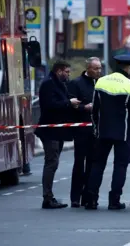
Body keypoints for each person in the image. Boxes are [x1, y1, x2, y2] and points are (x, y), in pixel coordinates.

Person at [85, 54, 130, 210]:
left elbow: (94, 109)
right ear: (128, 67)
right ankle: (114, 200)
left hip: (103, 131)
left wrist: (96, 128)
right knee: (120, 166)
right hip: (123, 133)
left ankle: (91, 200)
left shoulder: (101, 82)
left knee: (97, 165)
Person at [35, 60, 79, 209]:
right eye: (67, 72)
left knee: (53, 163)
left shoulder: (58, 83)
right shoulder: (49, 84)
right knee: (51, 163)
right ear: (59, 71)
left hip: (57, 131)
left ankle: (49, 196)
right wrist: (69, 102)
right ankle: (47, 198)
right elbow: (50, 105)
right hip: (50, 131)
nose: (68, 74)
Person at [67, 57, 102, 207]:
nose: (98, 71)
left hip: (96, 130)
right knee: (79, 163)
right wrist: (84, 108)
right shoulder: (76, 83)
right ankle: (75, 197)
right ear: (88, 68)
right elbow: (70, 105)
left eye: (100, 68)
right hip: (81, 129)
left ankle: (88, 196)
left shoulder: (101, 84)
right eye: (95, 69)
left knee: (92, 164)